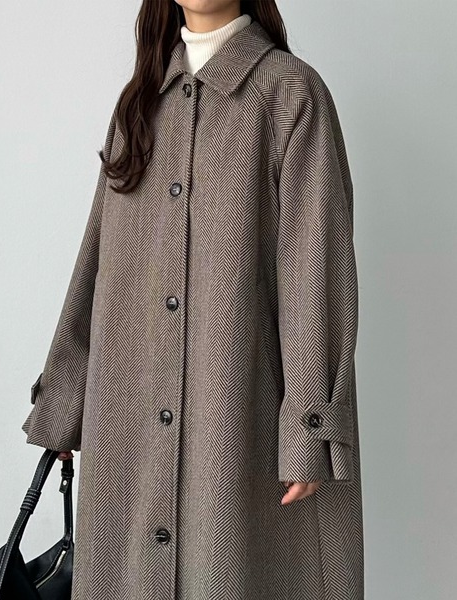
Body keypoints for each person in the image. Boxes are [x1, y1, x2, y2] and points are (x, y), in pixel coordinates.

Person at [22, 1, 363, 599]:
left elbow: (317, 268)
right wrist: (66, 400)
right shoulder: (139, 104)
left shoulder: (289, 95)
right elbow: (97, 258)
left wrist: (310, 426)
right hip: (127, 423)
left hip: (236, 421)